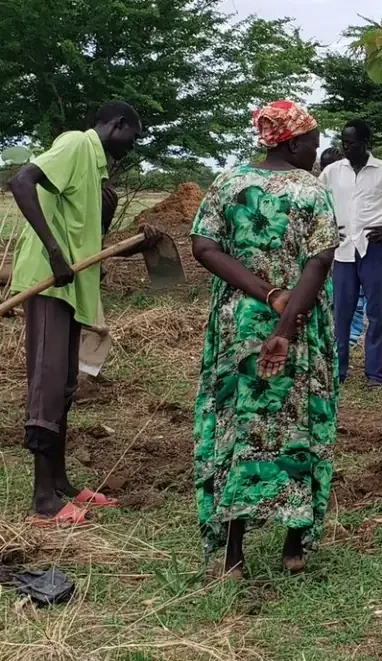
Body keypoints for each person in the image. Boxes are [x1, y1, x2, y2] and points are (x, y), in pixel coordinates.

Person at [190, 99, 338, 577]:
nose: (316, 152)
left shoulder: (229, 182)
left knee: (238, 427)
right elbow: (318, 263)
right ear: (294, 141)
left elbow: (203, 246)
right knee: (299, 425)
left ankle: (233, 556)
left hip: (237, 327)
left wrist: (266, 295)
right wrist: (285, 323)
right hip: (299, 328)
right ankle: (293, 549)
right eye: (313, 143)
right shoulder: (311, 192)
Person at [8, 101, 155, 525]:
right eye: (134, 134)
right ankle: (42, 501)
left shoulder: (97, 172)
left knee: (66, 386)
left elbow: (87, 238)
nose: (135, 143)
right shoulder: (75, 144)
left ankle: (60, 484)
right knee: (48, 384)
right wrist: (54, 254)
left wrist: (134, 245)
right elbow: (22, 181)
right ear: (118, 124)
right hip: (50, 283)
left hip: (71, 289)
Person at [320, 119, 382, 388]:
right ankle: (337, 374)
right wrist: (328, 229)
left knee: (375, 314)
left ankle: (374, 375)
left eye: (350, 142)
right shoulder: (332, 171)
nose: (345, 147)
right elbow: (318, 199)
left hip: (372, 249)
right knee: (341, 313)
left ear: (365, 144)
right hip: (342, 252)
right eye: (343, 141)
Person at [319, 147, 367, 349]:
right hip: (326, 252)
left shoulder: (355, 187)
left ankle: (348, 339)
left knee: (354, 297)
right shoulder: (318, 191)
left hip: (351, 249)